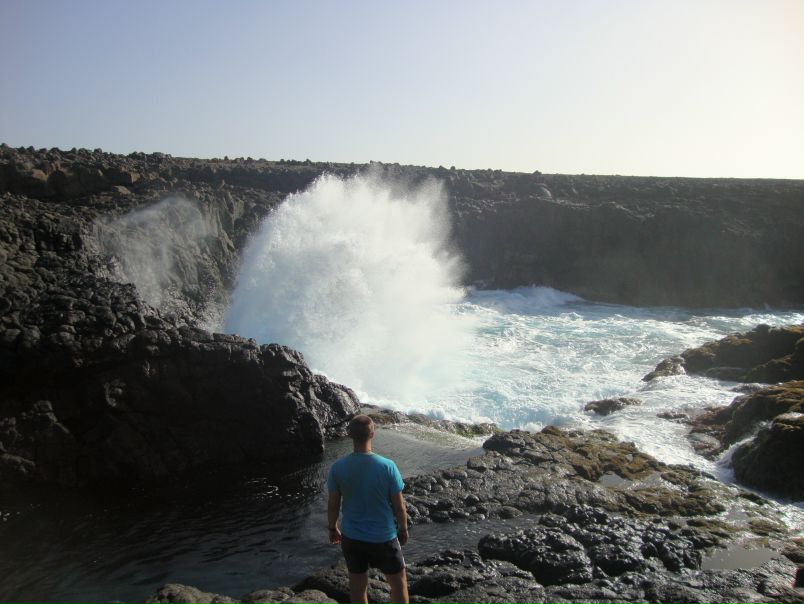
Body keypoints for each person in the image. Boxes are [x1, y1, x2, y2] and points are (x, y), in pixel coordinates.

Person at [327, 415, 409, 604]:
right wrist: (403, 529)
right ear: (372, 434)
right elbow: (399, 506)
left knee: (357, 587)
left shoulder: (338, 468)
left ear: (349, 435)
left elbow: (333, 504)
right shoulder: (388, 466)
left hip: (352, 537)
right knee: (398, 584)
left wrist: (332, 528)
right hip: (384, 538)